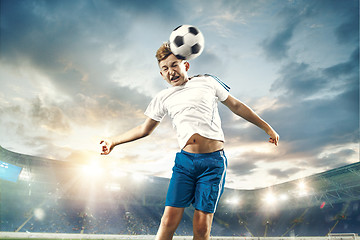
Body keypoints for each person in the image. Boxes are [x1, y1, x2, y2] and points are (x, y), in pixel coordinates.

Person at [100, 42, 279, 240]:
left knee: (202, 229)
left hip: (213, 164)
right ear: (161, 74)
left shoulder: (207, 82)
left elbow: (236, 105)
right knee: (168, 222)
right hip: (185, 163)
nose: (170, 72)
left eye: (174, 65)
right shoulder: (163, 98)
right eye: (165, 69)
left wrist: (267, 127)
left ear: (186, 65)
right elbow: (144, 129)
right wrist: (113, 141)